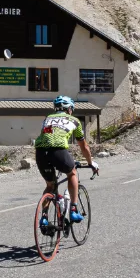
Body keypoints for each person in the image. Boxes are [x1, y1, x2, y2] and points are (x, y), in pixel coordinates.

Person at [34, 95, 98, 224]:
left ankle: (44, 218)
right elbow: (83, 146)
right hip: (58, 151)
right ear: (69, 109)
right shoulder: (74, 121)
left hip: (41, 152)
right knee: (72, 173)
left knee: (50, 186)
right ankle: (73, 209)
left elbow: (49, 135)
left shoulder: (48, 118)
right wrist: (91, 163)